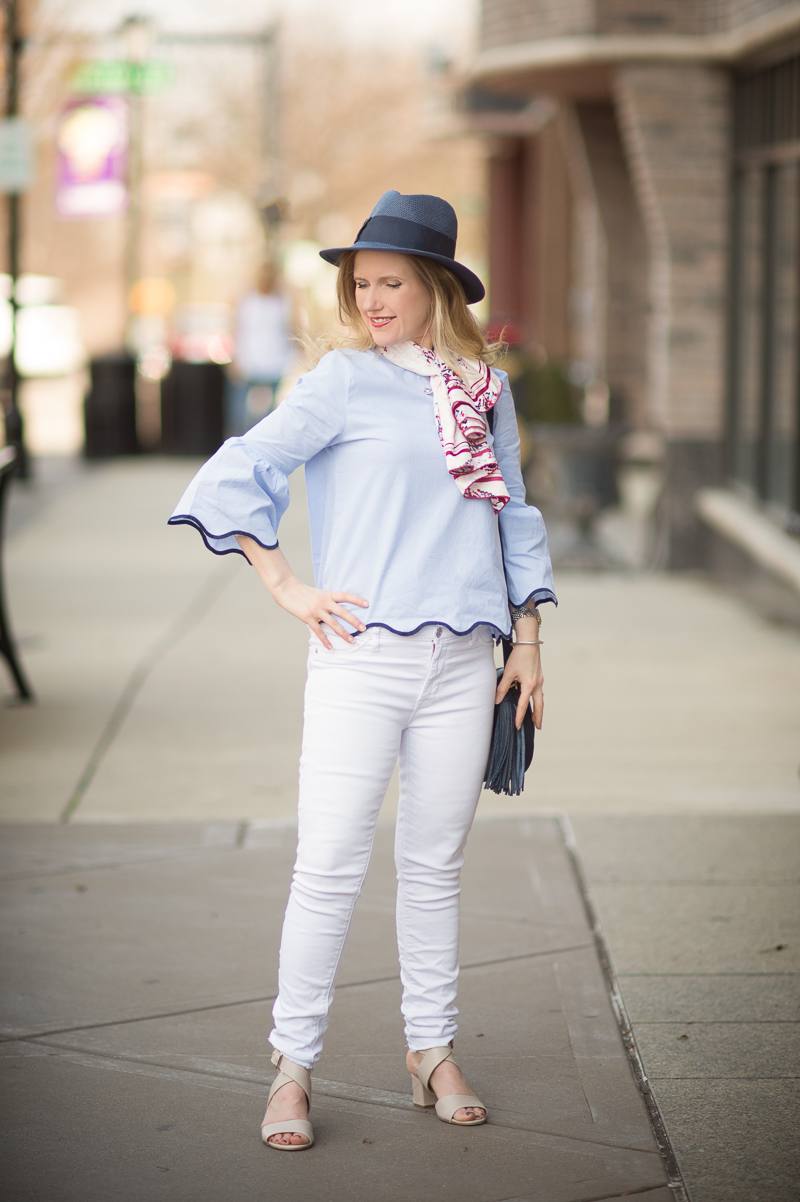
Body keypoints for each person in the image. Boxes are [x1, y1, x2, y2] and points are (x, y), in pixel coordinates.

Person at [169, 190, 556, 1151]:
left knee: (435, 869)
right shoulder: (341, 382)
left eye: (392, 281)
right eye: (361, 282)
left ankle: (431, 1051)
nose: (373, 298)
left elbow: (512, 517)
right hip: (362, 658)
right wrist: (287, 584)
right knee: (330, 867)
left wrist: (531, 645)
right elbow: (234, 471)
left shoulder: (485, 391)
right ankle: (292, 1067)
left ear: (435, 287)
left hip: (467, 661)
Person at [226, 262, 292, 436]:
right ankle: (237, 445)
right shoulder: (246, 302)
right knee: (240, 413)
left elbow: (292, 332)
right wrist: (233, 357)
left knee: (271, 414)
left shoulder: (283, 302)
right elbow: (236, 330)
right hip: (248, 361)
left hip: (275, 363)